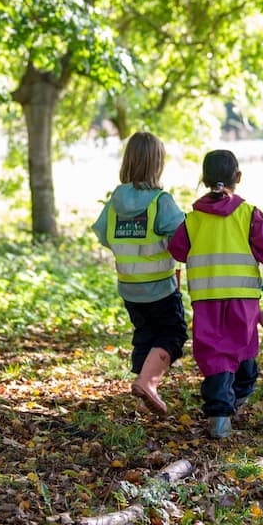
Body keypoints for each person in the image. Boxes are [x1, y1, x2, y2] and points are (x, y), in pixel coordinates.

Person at [167, 150, 263, 439]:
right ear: (238, 178)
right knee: (243, 346)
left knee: (213, 351)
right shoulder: (249, 215)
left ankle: (220, 413)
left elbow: (178, 250)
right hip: (242, 298)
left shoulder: (193, 220)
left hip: (207, 297)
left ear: (204, 178)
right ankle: (235, 398)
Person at [91, 132, 187, 416]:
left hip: (130, 287)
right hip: (160, 287)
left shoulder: (116, 199)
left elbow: (103, 233)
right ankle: (148, 382)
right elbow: (181, 239)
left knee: (145, 332)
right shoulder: (161, 201)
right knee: (173, 332)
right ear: (157, 164)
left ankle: (142, 382)